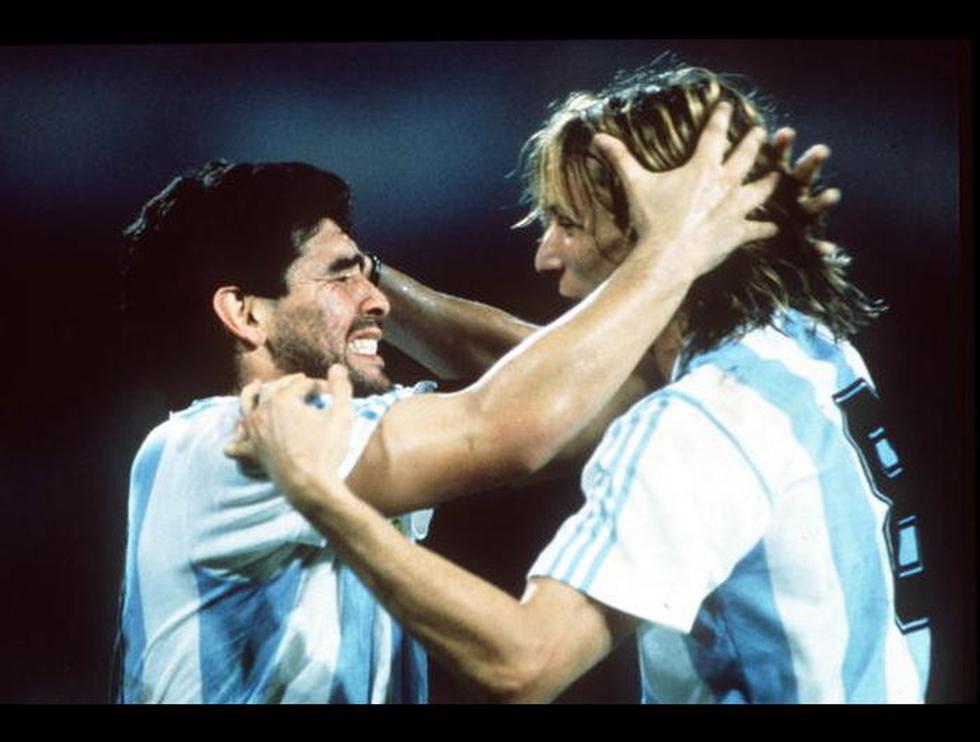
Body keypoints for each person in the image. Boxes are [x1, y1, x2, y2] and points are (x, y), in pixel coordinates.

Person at [229, 65, 931, 703]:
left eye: (568, 222)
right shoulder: (802, 344)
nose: (546, 254)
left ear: (650, 231)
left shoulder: (696, 427)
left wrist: (320, 496)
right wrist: (351, 273)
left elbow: (524, 664)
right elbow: (534, 364)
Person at [118, 101, 779, 703]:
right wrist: (676, 246)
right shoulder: (231, 443)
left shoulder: (331, 434)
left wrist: (360, 280)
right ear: (242, 312)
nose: (378, 298)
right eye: (342, 275)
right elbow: (513, 423)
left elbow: (578, 395)